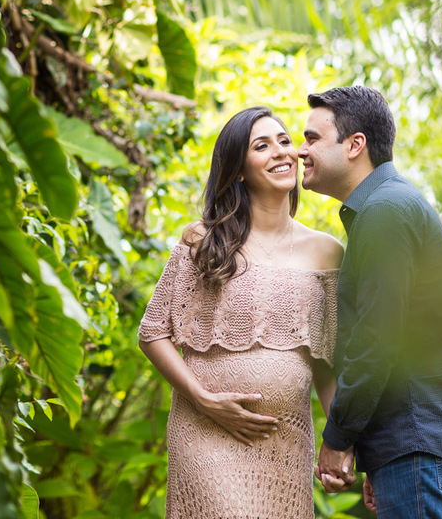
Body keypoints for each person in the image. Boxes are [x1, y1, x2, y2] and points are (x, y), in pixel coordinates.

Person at [138, 106, 343, 519]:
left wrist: (340, 443)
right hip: (204, 433)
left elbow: (327, 362)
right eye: (261, 146)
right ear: (238, 171)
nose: (281, 151)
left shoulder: (327, 251)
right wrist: (203, 400)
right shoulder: (203, 240)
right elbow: (152, 332)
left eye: (284, 141)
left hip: (284, 443)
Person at [298, 86, 442, 518]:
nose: (301, 151)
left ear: (354, 145)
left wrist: (337, 439)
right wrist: (376, 455)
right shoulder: (387, 206)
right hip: (410, 444)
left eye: (312, 138)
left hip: (416, 437)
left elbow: (376, 342)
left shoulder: (386, 211)